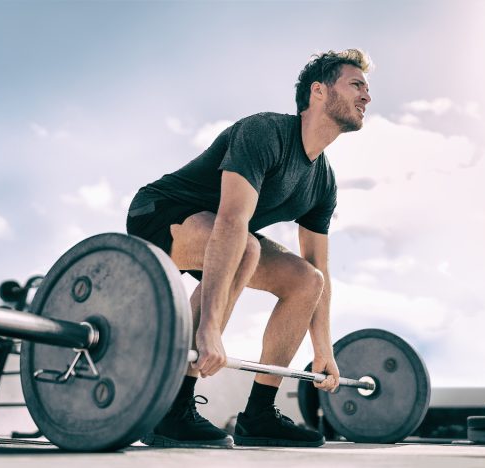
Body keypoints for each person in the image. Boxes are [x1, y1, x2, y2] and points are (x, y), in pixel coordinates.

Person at [126, 48, 372, 448]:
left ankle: (259, 414)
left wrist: (322, 348)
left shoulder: (323, 181)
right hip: (158, 214)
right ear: (319, 92)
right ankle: (171, 409)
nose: (367, 97)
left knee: (306, 280)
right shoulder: (265, 132)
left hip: (225, 235)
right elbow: (231, 222)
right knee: (245, 248)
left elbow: (318, 267)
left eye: (367, 88)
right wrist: (208, 328)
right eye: (356, 85)